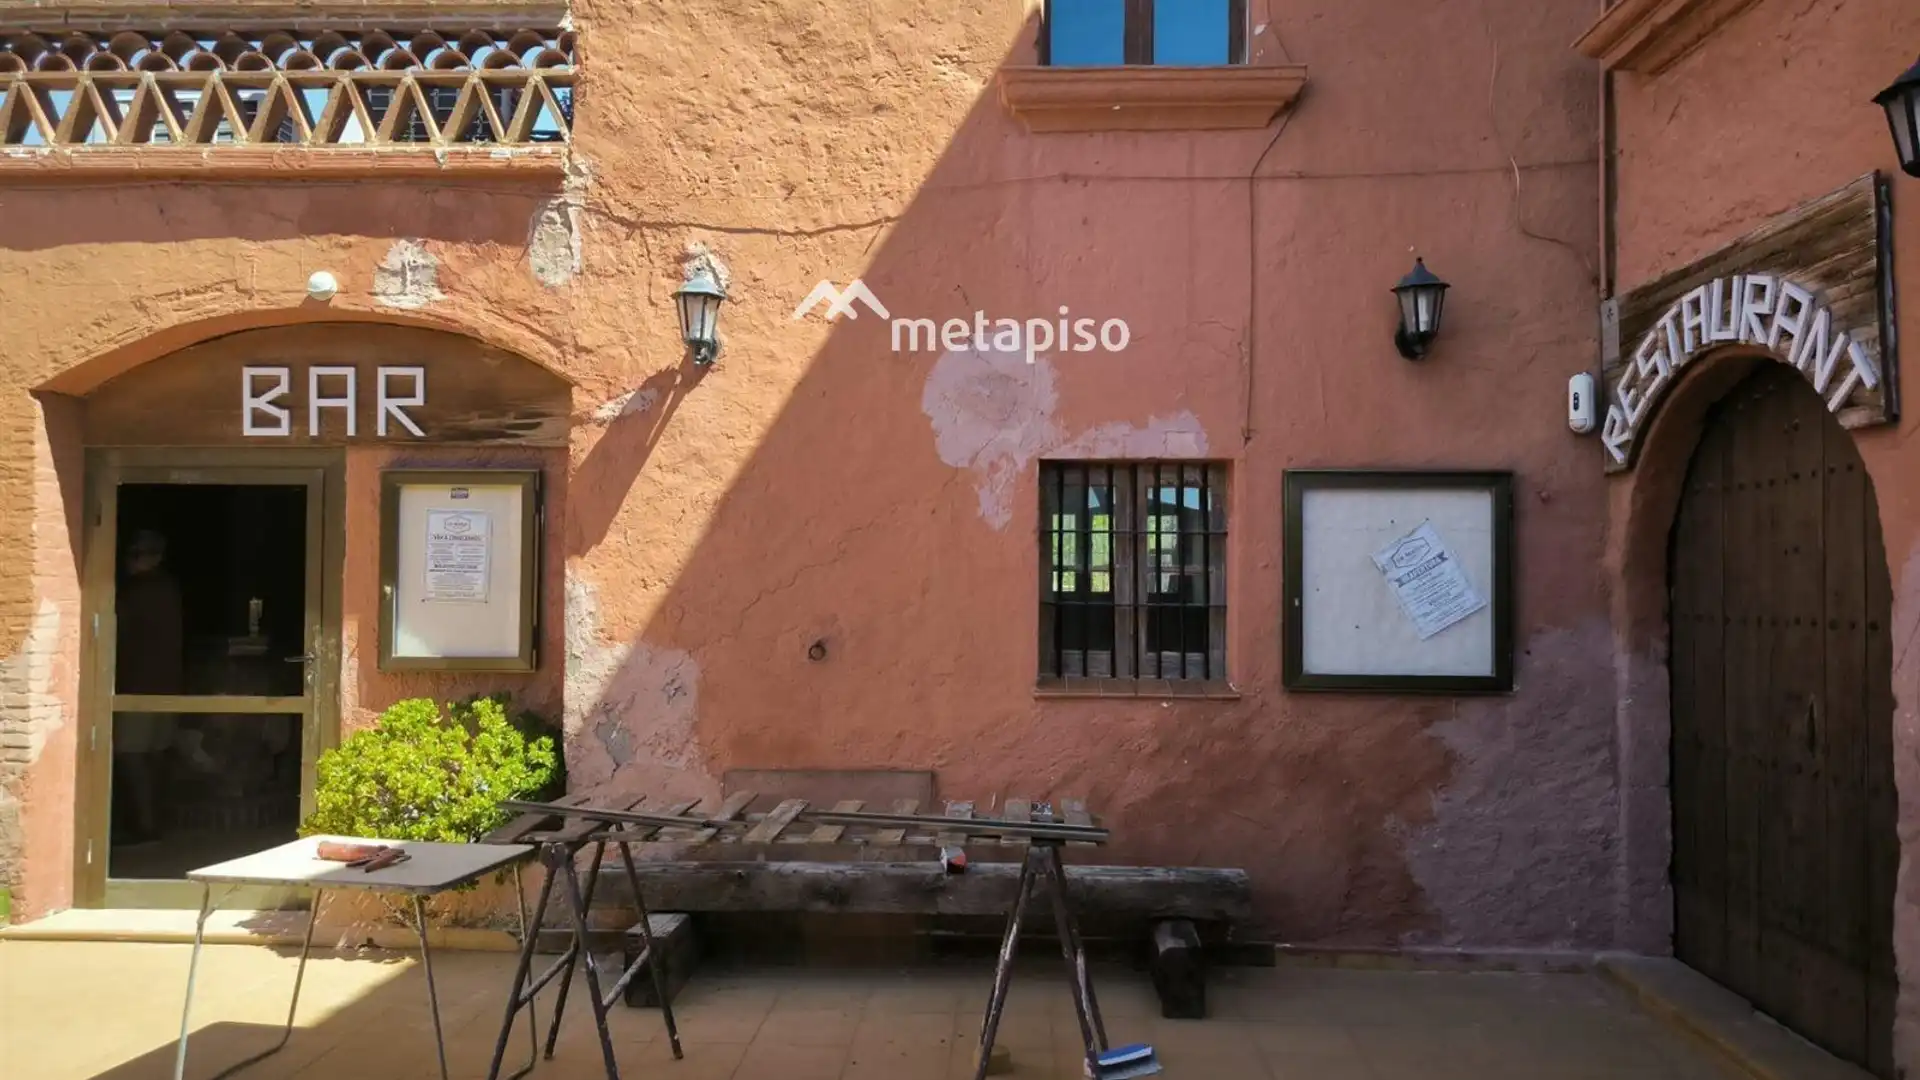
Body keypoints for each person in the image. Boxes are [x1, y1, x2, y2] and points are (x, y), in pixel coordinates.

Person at [115, 529, 183, 847]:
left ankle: (146, 825)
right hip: (166, 686)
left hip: (135, 687)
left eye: (136, 554)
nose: (130, 561)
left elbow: (121, 640)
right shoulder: (169, 589)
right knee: (155, 756)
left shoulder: (134, 593)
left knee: (132, 756)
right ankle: (156, 821)